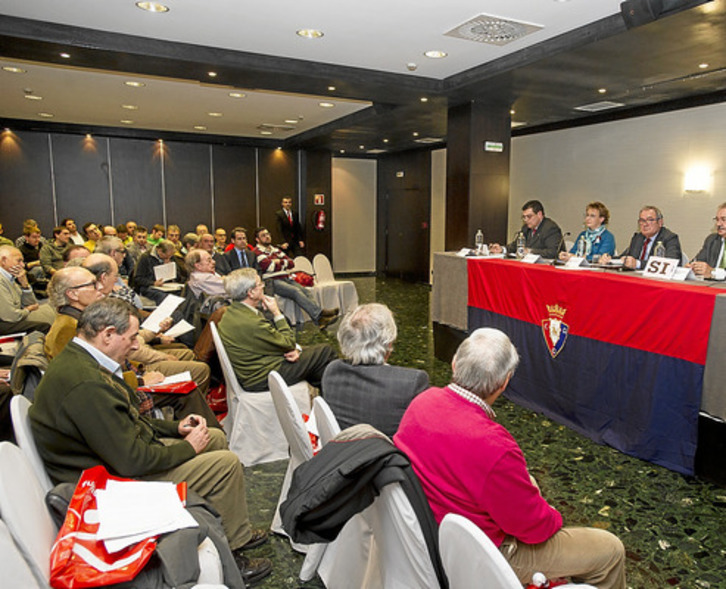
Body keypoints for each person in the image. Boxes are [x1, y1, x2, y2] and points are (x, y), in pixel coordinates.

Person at [29, 298, 272, 585]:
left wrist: (175, 427)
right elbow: (132, 461)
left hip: (107, 465)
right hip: (108, 486)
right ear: (107, 334)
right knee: (225, 464)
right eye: (132, 337)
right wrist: (188, 447)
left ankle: (232, 530)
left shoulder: (82, 361)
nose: (135, 346)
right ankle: (232, 554)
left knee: (214, 437)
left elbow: (126, 422)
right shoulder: (87, 383)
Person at [394, 328, 626, 588]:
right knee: (610, 550)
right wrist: (552, 514)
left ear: (454, 363)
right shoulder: (495, 445)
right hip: (486, 554)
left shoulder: (421, 402)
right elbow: (535, 529)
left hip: (431, 532)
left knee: (529, 481)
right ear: (504, 382)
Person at [218, 268, 337, 392]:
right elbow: (288, 342)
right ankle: (334, 399)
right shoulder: (252, 322)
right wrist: (276, 312)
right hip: (263, 376)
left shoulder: (231, 313)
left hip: (255, 369)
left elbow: (267, 341)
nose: (263, 286)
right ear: (251, 292)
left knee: (317, 366)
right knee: (326, 351)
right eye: (260, 284)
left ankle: (327, 398)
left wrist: (295, 349)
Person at [322, 303, 428, 436]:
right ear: (389, 343)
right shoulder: (411, 382)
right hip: (389, 449)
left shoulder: (332, 371)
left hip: (343, 447)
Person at [253, 227, 339, 328]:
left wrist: (278, 262)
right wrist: (282, 262)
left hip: (286, 278)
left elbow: (291, 263)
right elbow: (269, 267)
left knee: (306, 291)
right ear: (257, 239)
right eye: (263, 235)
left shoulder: (275, 250)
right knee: (295, 291)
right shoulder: (257, 252)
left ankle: (319, 319)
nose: (267, 237)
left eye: (268, 234)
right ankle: (320, 315)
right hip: (272, 281)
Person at [601, 205, 682, 269]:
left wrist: (638, 264)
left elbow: (671, 264)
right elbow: (624, 258)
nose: (645, 224)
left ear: (660, 222)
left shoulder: (670, 238)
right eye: (642, 220)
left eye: (650, 220)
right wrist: (609, 259)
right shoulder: (638, 238)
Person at [0, 245, 56, 335]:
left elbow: (32, 304)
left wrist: (25, 285)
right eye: (19, 261)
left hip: (12, 317)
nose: (22, 265)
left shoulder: (10, 277)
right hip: (4, 323)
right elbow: (11, 317)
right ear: (3, 261)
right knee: (44, 326)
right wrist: (28, 310)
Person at [489, 200, 564, 259]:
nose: (526, 220)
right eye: (524, 217)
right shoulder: (526, 228)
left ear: (539, 214)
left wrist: (530, 251)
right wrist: (502, 249)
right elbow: (516, 246)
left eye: (529, 216)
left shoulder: (550, 228)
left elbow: (553, 252)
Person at [130, 240, 180, 305]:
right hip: (149, 287)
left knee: (181, 294)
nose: (168, 258)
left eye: (170, 256)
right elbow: (138, 278)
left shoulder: (170, 257)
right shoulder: (145, 257)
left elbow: (178, 276)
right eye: (166, 256)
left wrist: (170, 267)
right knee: (165, 297)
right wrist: (153, 283)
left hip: (168, 285)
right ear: (160, 251)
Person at [688, 202, 726, 280]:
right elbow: (698, 261)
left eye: (724, 219)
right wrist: (692, 267)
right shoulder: (712, 240)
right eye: (717, 220)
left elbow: (710, 272)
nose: (718, 224)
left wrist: (713, 272)